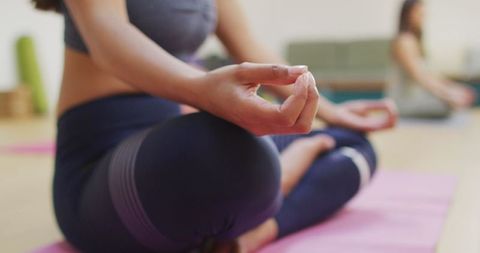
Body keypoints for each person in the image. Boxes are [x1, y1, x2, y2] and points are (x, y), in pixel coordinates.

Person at [32, 0, 397, 252]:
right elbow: (106, 36)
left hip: (178, 138)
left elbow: (248, 45)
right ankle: (283, 177)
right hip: (101, 163)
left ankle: (260, 230)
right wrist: (201, 90)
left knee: (352, 143)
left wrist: (331, 111)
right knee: (237, 156)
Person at [389, 0, 476, 118]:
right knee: (447, 105)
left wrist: (455, 88)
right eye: (418, 13)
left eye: (423, 14)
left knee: (456, 100)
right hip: (404, 101)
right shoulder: (404, 42)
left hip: (419, 96)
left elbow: (430, 75)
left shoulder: (415, 41)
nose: (422, 17)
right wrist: (448, 95)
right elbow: (421, 78)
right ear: (407, 14)